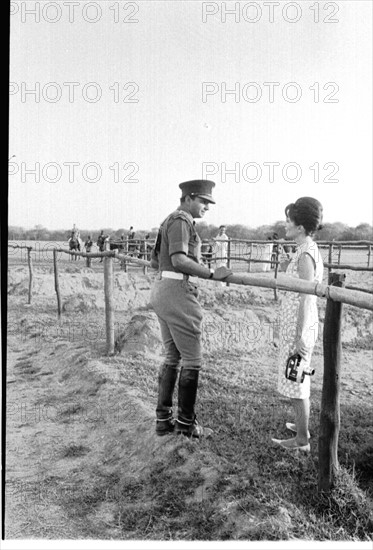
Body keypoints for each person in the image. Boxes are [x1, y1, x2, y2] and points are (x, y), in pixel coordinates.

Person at [150, 180, 232, 438]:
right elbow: (179, 259)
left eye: (208, 202)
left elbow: (156, 261)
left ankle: (164, 420)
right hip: (178, 293)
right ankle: (186, 424)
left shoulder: (169, 221)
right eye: (203, 201)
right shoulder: (182, 221)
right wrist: (209, 273)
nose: (206, 206)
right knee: (193, 360)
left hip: (164, 289)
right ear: (187, 198)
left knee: (172, 357)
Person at [272, 197, 324, 452]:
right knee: (296, 376)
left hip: (300, 325)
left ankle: (302, 440)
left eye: (289, 220)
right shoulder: (303, 250)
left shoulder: (305, 254)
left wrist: (300, 336)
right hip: (296, 323)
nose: (285, 225)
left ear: (301, 227)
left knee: (296, 379)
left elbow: (306, 297)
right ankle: (301, 426)